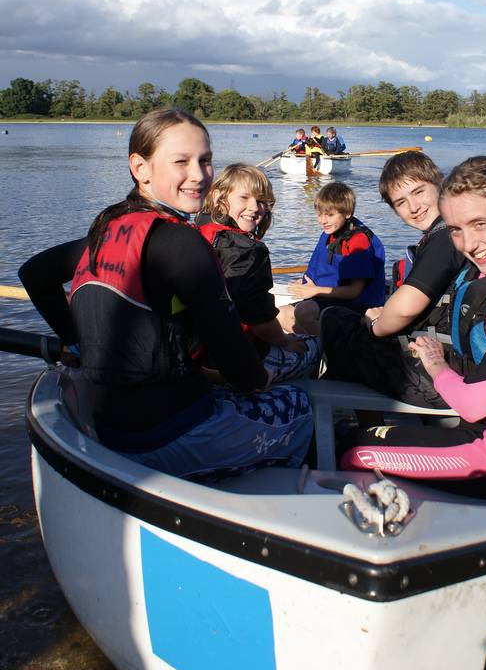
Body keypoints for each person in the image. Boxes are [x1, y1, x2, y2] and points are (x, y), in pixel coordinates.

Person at [18, 108, 312, 478]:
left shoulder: (107, 229)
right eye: (181, 161)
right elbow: (239, 366)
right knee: (299, 406)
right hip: (165, 436)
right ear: (140, 168)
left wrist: (76, 344)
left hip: (108, 424)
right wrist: (261, 380)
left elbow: (35, 274)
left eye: (205, 161)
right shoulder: (184, 244)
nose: (199, 174)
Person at [337, 155, 486, 497]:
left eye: (479, 224)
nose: (468, 244)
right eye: (456, 229)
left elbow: (472, 405)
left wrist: (436, 364)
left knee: (353, 449)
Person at [321, 152, 466, 406]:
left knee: (335, 321)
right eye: (401, 202)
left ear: (441, 185)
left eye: (419, 192)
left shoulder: (445, 239)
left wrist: (376, 324)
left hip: (439, 374)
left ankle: (343, 422)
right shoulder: (454, 230)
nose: (413, 207)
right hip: (446, 358)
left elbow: (405, 308)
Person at [196, 162, 320, 381]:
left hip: (200, 354)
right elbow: (259, 321)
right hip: (236, 359)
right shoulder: (247, 251)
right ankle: (291, 400)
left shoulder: (198, 230)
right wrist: (285, 341)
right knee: (314, 345)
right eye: (244, 198)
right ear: (219, 198)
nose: (254, 207)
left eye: (261, 201)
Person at [283, 182, 386, 336]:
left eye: (330, 215)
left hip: (356, 305)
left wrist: (314, 291)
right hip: (329, 297)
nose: (322, 221)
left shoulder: (358, 241)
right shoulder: (330, 231)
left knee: (304, 312)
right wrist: (305, 282)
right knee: (279, 314)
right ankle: (313, 345)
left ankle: (333, 349)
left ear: (347, 213)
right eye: (319, 214)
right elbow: (323, 268)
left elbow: (354, 291)